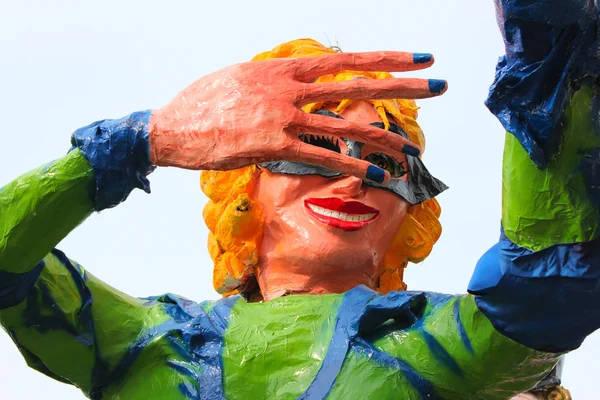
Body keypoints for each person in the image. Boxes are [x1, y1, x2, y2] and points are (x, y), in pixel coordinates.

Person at [0, 1, 598, 399]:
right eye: (313, 151)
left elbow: (550, 281)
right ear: (241, 176)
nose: (352, 180)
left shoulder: (428, 342)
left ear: (413, 208)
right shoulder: (150, 340)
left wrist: (548, 47)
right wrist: (141, 139)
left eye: (384, 162)